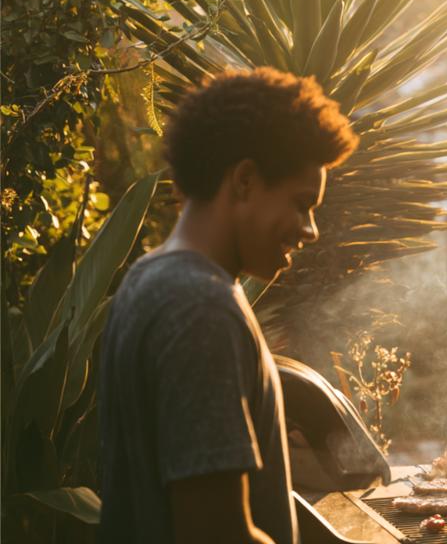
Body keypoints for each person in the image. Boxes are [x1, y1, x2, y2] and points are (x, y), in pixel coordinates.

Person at [98, 68, 358, 544]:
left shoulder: (150, 278)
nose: (310, 229)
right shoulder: (200, 308)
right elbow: (216, 533)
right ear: (244, 181)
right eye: (303, 203)